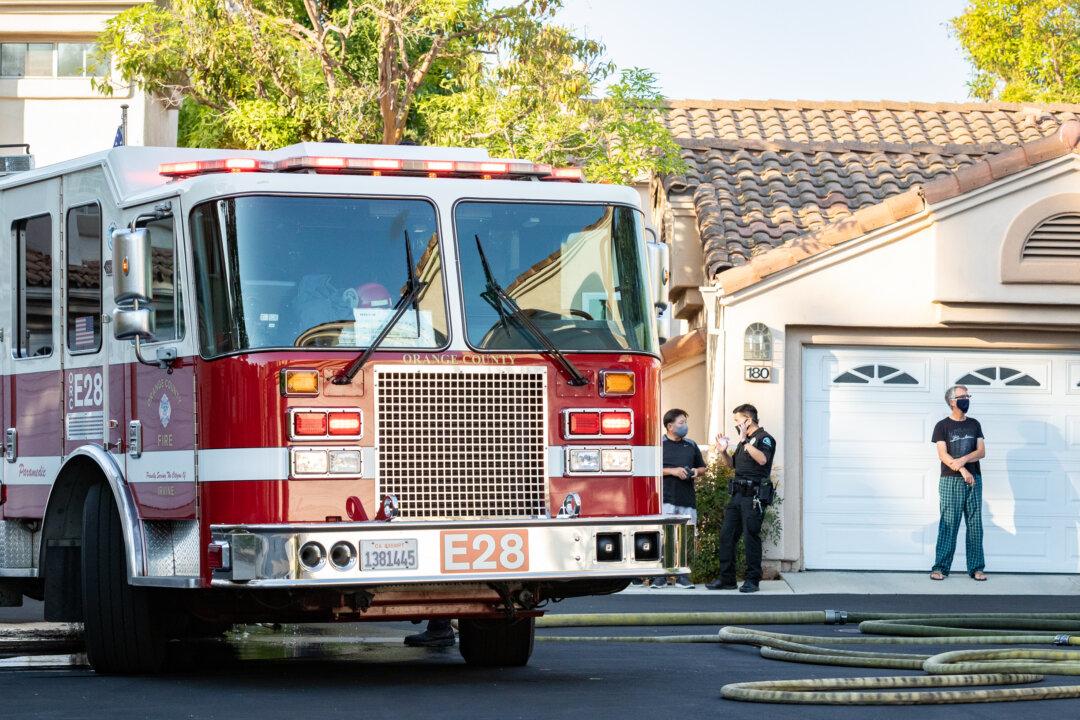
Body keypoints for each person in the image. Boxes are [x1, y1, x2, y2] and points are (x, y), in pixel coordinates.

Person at [707, 404, 776, 593]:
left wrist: (744, 441)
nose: (736, 424)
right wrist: (722, 452)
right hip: (737, 494)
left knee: (750, 536)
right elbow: (733, 466)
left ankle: (753, 580)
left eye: (737, 421)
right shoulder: (744, 441)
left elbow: (762, 460)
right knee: (726, 535)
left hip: (753, 496)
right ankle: (727, 579)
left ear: (748, 420)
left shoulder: (765, 438)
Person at [930, 385, 987, 582]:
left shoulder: (974, 424)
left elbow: (981, 452)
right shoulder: (942, 426)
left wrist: (962, 460)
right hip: (950, 481)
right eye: (963, 396)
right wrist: (962, 469)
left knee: (975, 524)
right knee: (949, 524)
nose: (967, 399)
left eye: (968, 396)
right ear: (952, 401)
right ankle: (941, 568)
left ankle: (976, 568)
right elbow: (943, 455)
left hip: (974, 480)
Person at [654, 408, 707, 589]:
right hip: (666, 498)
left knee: (686, 537)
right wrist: (672, 471)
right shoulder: (658, 444)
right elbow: (650, 469)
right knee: (665, 537)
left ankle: (683, 576)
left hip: (687, 498)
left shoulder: (691, 445)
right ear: (670, 426)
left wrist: (694, 472)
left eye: (685, 422)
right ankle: (661, 576)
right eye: (681, 423)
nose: (685, 426)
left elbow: (702, 468)